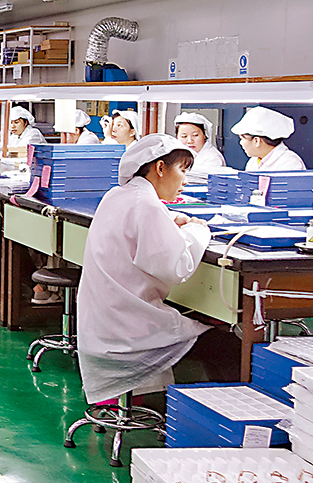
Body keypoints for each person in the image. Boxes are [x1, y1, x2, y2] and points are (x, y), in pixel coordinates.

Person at [76, 134, 211, 402]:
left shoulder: (118, 195)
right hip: (130, 331)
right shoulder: (146, 204)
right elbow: (177, 267)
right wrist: (198, 231)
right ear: (160, 168)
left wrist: (171, 219)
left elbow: (142, 221)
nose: (185, 180)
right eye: (182, 170)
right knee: (225, 341)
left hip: (103, 325)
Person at [232, 106, 306, 171]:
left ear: (257, 141)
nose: (240, 143)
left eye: (242, 138)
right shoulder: (253, 162)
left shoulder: (290, 162)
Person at [174, 111, 226, 175]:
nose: (190, 141)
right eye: (184, 136)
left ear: (205, 135)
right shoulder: (175, 155)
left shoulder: (213, 158)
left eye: (195, 135)